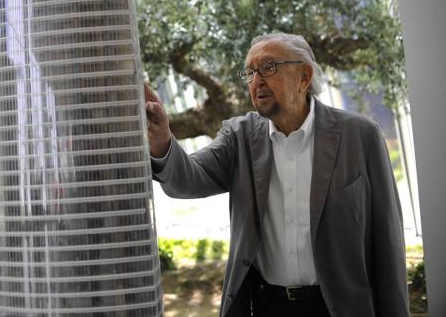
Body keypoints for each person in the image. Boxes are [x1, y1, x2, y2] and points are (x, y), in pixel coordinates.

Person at [145, 33, 409, 317]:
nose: (256, 80)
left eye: (268, 67)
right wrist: (162, 140)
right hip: (266, 306)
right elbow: (188, 179)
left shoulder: (359, 135)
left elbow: (387, 240)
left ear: (304, 77)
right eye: (249, 72)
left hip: (340, 308)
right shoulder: (240, 136)